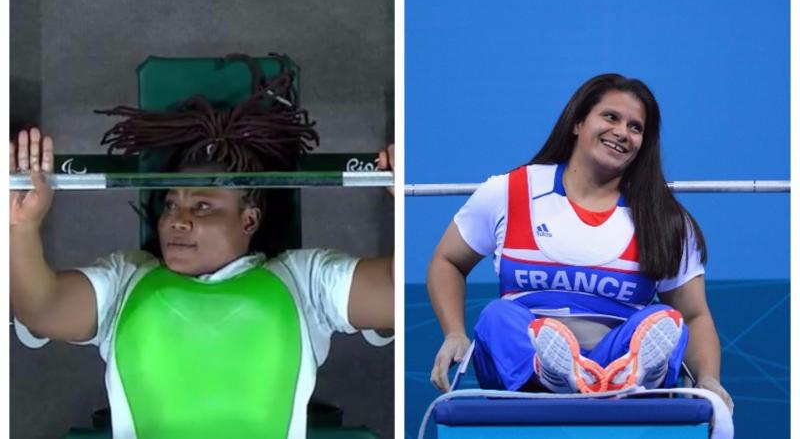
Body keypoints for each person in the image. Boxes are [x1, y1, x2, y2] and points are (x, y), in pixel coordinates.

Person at [10, 85, 394, 437]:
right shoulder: (126, 279)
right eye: (171, 204)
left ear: (249, 219)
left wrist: (400, 196)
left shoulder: (306, 281)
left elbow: (394, 298)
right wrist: (22, 228)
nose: (178, 219)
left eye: (202, 206)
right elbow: (41, 309)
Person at [426, 73, 733, 412]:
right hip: (523, 367)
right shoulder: (510, 192)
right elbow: (447, 261)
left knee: (664, 318)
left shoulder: (664, 218)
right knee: (497, 317)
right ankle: (552, 373)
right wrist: (454, 332)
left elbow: (692, 314)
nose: (622, 133)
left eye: (635, 127)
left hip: (614, 362)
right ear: (577, 122)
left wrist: (708, 381)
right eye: (611, 117)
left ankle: (596, 377)